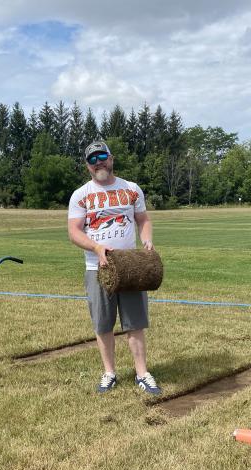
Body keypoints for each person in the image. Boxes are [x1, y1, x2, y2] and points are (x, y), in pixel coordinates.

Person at [67, 141, 161, 394]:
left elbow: (143, 220)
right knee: (103, 323)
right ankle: (109, 373)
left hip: (131, 266)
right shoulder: (81, 194)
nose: (99, 161)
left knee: (135, 322)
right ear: (87, 165)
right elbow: (74, 231)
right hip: (97, 268)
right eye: (92, 159)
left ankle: (142, 373)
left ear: (111, 158)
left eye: (102, 156)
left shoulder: (131, 189)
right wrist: (97, 249)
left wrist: (147, 240)